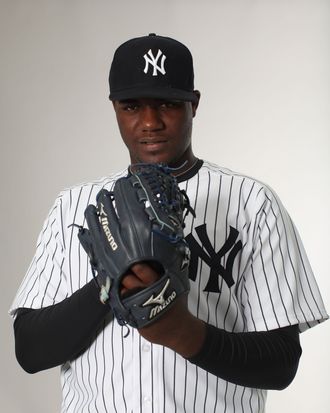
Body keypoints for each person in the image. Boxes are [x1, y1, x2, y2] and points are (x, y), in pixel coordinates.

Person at [10, 33, 328, 413]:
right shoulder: (72, 206)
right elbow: (30, 349)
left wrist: (183, 332)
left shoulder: (252, 203)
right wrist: (112, 280)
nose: (150, 122)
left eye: (167, 104)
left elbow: (281, 363)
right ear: (114, 107)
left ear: (194, 104)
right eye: (132, 106)